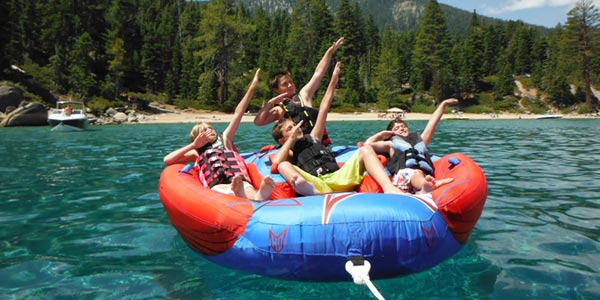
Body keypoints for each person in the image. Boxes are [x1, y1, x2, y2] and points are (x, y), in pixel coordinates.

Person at [270, 62, 403, 196]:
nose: (295, 128)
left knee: (365, 150)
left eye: (294, 125)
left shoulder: (314, 137)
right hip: (317, 184)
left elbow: (324, 108)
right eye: (289, 129)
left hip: (338, 178)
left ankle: (388, 188)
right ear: (282, 140)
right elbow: (277, 163)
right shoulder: (290, 152)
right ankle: (312, 192)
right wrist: (291, 139)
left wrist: (333, 80)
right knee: (283, 166)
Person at [163, 69, 275, 201]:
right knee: (221, 190)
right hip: (219, 186)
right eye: (204, 131)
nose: (209, 130)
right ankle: (242, 195)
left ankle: (257, 196)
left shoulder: (225, 139)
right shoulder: (197, 152)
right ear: (197, 137)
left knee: (245, 186)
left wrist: (252, 86)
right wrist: (193, 145)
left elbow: (238, 113)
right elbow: (167, 160)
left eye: (210, 128)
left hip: (239, 180)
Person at [253, 37, 345, 145]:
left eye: (291, 82)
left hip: (318, 142)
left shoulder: (304, 94)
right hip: (300, 147)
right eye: (285, 84)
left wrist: (330, 52)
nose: (290, 85)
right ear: (276, 89)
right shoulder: (279, 110)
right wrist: (270, 103)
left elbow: (318, 73)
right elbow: (258, 122)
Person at [365, 98, 459, 194]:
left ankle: (422, 190)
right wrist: (381, 135)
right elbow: (367, 145)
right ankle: (429, 185)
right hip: (403, 177)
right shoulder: (390, 144)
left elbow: (432, 123)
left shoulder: (420, 140)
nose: (401, 128)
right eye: (397, 128)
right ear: (391, 133)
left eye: (403, 126)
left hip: (420, 178)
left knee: (419, 175)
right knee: (416, 173)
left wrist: (443, 104)